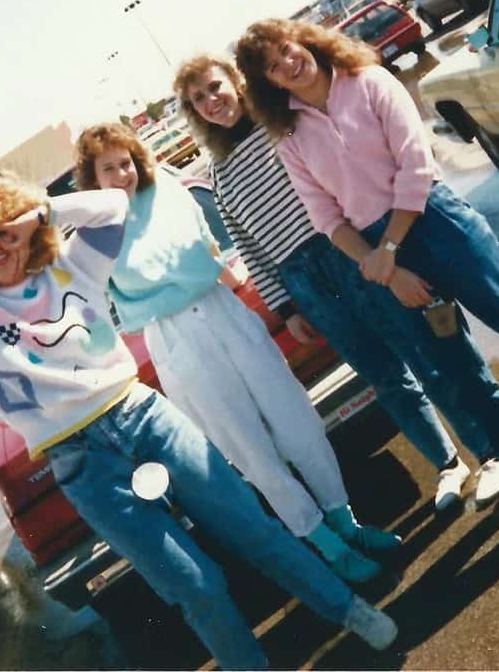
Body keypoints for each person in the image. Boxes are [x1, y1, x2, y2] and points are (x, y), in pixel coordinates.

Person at [0, 177, 398, 667]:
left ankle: (348, 611)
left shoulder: (72, 267)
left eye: (5, 233)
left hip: (142, 415)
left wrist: (39, 210)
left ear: (28, 231)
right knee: (196, 586)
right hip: (81, 461)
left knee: (254, 530)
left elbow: (112, 207)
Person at [234, 19, 499, 511]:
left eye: (286, 50)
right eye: (273, 67)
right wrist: (381, 264)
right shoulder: (290, 136)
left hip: (438, 223)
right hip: (380, 253)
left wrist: (386, 252)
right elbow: (325, 216)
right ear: (268, 83)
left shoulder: (370, 81)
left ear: (304, 40)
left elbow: (416, 166)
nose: (287, 65)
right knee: (456, 366)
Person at [173, 54, 499, 515]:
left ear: (235, 82)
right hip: (305, 281)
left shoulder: (283, 127)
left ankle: (490, 455)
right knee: (385, 378)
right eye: (198, 99)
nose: (211, 101)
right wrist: (288, 310)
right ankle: (447, 464)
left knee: (427, 354)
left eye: (214, 87)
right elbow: (248, 246)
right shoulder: (218, 175)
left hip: (350, 251)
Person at [73, 123, 399, 582]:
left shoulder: (165, 186)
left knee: (297, 421)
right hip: (175, 336)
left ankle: (346, 522)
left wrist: (225, 276)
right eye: (108, 168)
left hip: (223, 309)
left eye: (125, 161)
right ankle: (325, 546)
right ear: (92, 178)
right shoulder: (93, 229)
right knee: (250, 449)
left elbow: (206, 241)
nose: (122, 173)